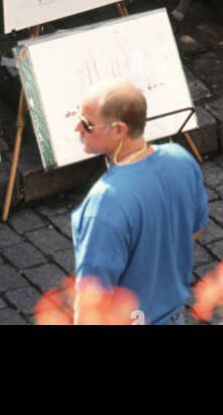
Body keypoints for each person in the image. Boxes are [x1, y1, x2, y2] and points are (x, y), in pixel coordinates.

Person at [71, 79, 207, 326]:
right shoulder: (182, 159)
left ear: (119, 130)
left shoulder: (104, 204)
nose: (77, 128)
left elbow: (92, 300)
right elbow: (195, 229)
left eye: (87, 124)